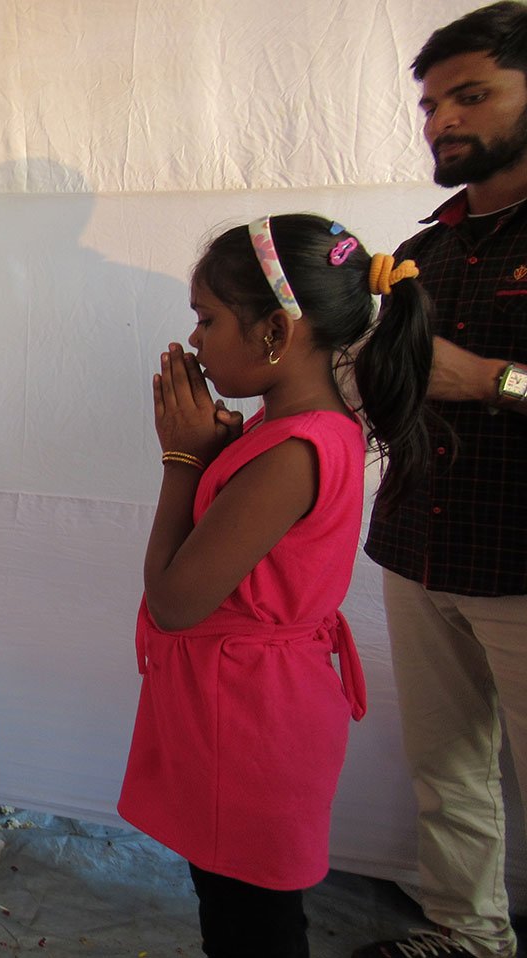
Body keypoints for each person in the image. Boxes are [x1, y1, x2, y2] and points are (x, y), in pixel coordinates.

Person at [117, 213, 434, 958]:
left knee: (250, 925)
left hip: (252, 727)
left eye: (208, 319)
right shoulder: (297, 426)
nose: (194, 340)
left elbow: (174, 601)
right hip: (247, 708)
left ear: (275, 332)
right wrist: (220, 453)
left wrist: (182, 461)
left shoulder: (292, 450)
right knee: (236, 906)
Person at [355, 4, 527, 957]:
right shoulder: (421, 253)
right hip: (419, 545)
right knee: (446, 766)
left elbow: (470, 379)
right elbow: (396, 393)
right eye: (429, 104)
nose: (442, 122)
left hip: (522, 562)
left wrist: (496, 381)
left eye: (472, 95)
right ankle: (470, 934)